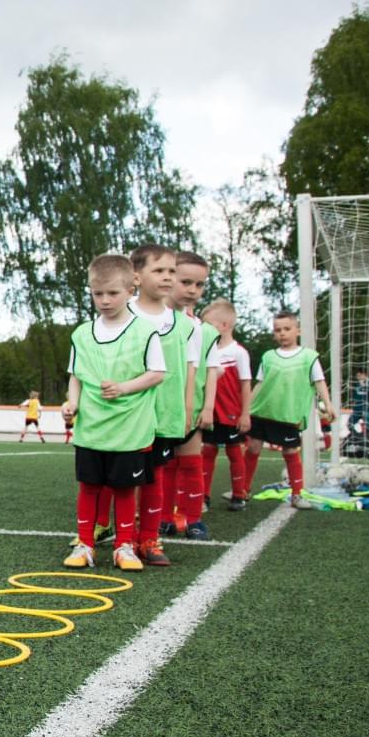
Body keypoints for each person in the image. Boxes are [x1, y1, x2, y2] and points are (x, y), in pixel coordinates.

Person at [61, 254, 166, 571]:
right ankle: (84, 545)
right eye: (97, 293)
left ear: (130, 290)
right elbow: (76, 376)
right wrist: (72, 403)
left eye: (112, 293)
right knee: (89, 487)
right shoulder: (81, 334)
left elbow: (157, 373)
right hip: (92, 429)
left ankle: (124, 547)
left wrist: (124, 387)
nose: (104, 300)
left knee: (124, 489)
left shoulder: (145, 331)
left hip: (130, 429)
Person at [127, 243, 196, 567]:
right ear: (136, 276)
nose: (167, 277)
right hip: (127, 414)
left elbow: (190, 369)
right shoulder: (123, 313)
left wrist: (185, 410)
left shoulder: (186, 325)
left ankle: (150, 539)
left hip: (165, 415)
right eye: (159, 270)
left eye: (171, 270)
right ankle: (124, 539)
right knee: (124, 479)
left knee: (154, 477)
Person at [242, 311, 335, 508]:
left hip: (287, 416)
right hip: (261, 412)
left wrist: (328, 404)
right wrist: (246, 406)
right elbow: (259, 383)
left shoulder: (309, 357)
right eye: (278, 330)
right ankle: (242, 490)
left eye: (287, 329)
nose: (282, 333)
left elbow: (319, 381)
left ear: (297, 330)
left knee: (290, 451)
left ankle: (296, 494)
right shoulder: (268, 357)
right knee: (252, 448)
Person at [166, 251, 214, 540]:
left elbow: (209, 369)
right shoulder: (146, 317)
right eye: (186, 282)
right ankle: (162, 518)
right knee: (162, 466)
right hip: (156, 406)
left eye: (199, 285)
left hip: (189, 405)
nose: (192, 290)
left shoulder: (198, 327)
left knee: (191, 461)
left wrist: (204, 405)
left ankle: (193, 518)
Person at [197, 300, 252, 510]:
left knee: (234, 452)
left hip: (231, 413)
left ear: (225, 325)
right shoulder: (208, 351)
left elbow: (245, 385)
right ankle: (203, 496)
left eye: (209, 324)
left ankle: (239, 494)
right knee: (208, 451)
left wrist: (245, 414)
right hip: (212, 414)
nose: (205, 329)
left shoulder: (239, 352)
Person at [348, 369, 369, 435]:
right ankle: (357, 436)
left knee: (367, 427)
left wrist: (365, 385)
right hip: (357, 409)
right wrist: (354, 403)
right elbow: (356, 395)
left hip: (367, 409)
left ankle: (368, 438)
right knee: (349, 424)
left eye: (359, 376)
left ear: (364, 375)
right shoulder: (358, 384)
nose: (358, 378)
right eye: (357, 376)